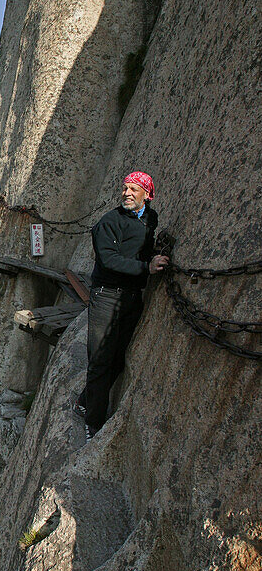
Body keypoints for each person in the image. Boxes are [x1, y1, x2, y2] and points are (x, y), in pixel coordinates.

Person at [78, 171, 169, 440]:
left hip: (131, 297)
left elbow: (142, 248)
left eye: (134, 189)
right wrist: (147, 267)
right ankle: (92, 422)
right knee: (100, 359)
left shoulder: (149, 219)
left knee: (118, 358)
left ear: (147, 195)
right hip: (106, 296)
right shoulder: (109, 222)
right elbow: (109, 260)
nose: (127, 193)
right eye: (125, 188)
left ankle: (85, 399)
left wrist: (154, 256)